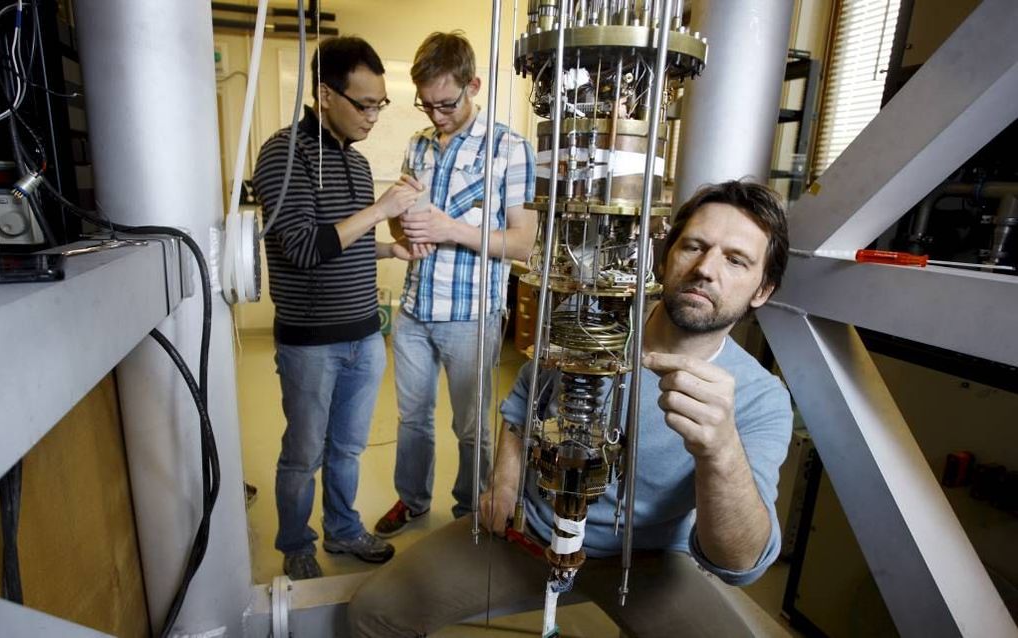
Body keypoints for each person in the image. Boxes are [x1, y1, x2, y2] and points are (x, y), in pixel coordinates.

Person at [348, 180, 794, 637]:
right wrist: (504, 478)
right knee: (373, 612)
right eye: (695, 246)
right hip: (530, 533)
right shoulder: (588, 317)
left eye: (736, 260)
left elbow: (740, 563)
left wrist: (720, 452)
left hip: (644, 559)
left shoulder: (760, 398)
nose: (705, 269)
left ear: (762, 289)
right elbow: (524, 398)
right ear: (666, 257)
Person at [252, 36, 426, 580]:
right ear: (325, 95)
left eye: (381, 104)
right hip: (311, 344)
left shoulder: (353, 162)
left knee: (347, 448)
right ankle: (296, 541)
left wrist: (388, 246)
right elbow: (302, 248)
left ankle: (343, 530)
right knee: (303, 455)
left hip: (365, 336)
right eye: (364, 104)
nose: (374, 116)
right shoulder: (283, 154)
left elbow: (340, 238)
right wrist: (379, 211)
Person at [373, 31, 537, 536]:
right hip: (415, 310)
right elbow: (400, 220)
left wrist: (450, 230)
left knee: (472, 428)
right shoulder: (416, 144)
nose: (436, 116)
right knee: (412, 420)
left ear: (474, 85)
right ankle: (413, 501)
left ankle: (470, 512)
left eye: (445, 104)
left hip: (471, 316)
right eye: (426, 106)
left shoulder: (510, 148)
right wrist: (406, 232)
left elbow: (523, 244)